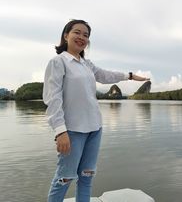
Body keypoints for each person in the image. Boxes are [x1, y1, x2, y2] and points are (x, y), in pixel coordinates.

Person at [43, 19, 149, 202]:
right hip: (72, 130)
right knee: (64, 178)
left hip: (94, 128)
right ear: (66, 35)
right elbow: (53, 98)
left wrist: (129, 76)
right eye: (77, 32)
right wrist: (60, 131)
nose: (81, 37)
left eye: (86, 35)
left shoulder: (86, 64)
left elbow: (106, 75)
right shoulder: (58, 62)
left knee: (86, 177)